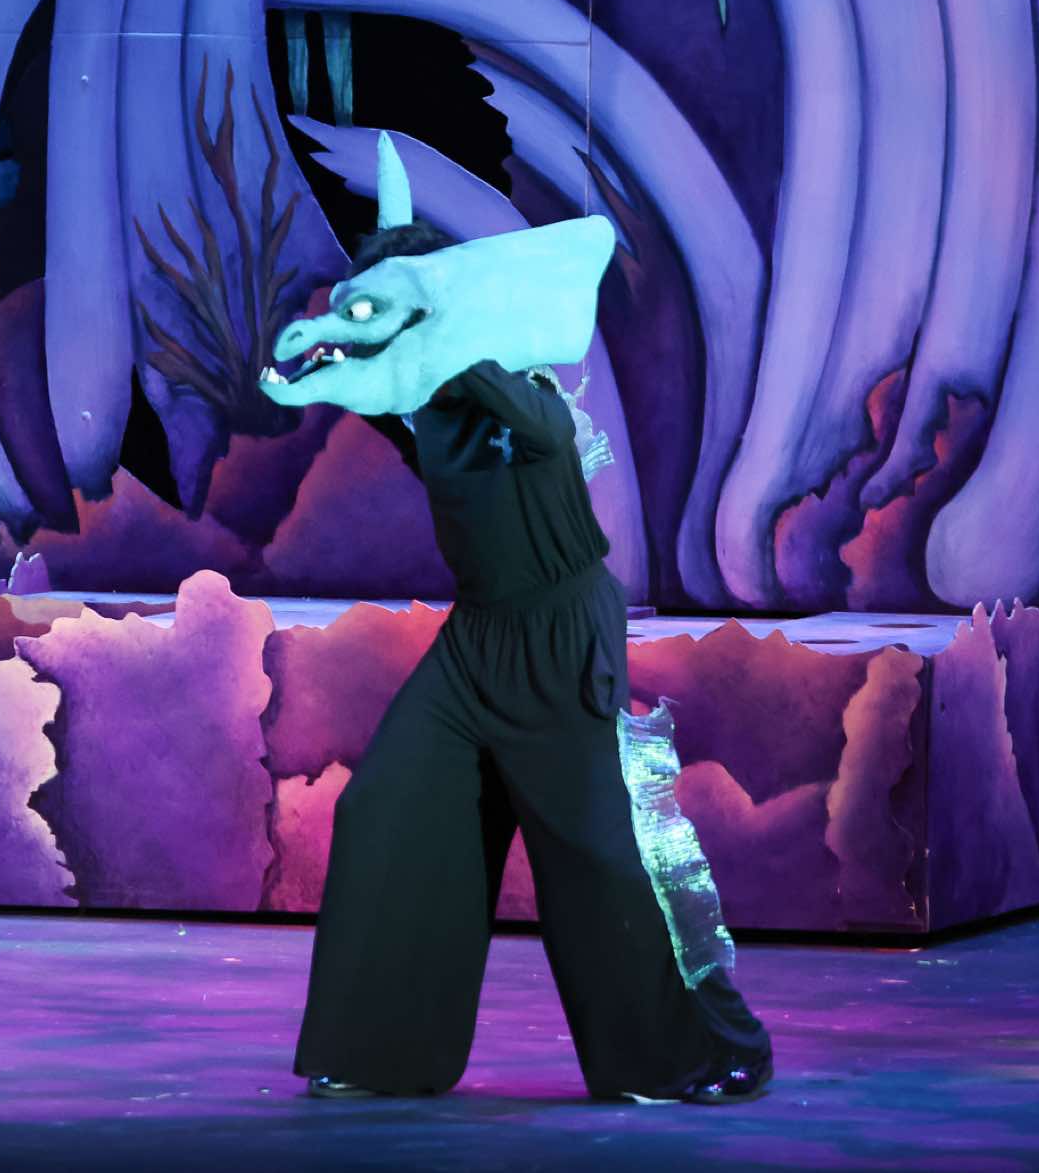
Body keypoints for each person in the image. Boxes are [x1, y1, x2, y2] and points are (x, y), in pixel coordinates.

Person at [289, 222, 773, 1103]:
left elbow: (546, 429)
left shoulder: (516, 376)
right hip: (476, 646)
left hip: (561, 637)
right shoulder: (420, 398)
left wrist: (449, 345)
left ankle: (703, 1052)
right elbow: (372, 386)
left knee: (599, 859)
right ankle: (378, 1053)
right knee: (385, 810)